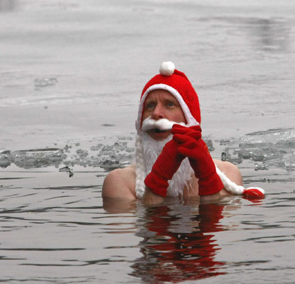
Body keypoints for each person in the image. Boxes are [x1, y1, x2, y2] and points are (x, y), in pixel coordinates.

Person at [102, 61, 264, 205]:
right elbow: (149, 232)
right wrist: (159, 178)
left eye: (169, 104)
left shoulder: (229, 173)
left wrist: (207, 177)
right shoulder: (120, 182)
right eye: (150, 106)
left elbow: (215, 230)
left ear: (189, 119)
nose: (156, 113)